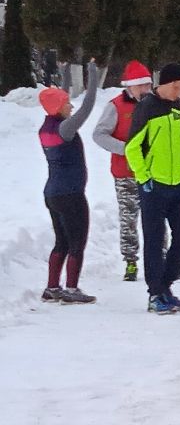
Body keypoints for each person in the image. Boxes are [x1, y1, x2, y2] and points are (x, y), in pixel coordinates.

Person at [126, 63, 180, 314]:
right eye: (176, 86)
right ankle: (155, 293)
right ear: (164, 84)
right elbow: (132, 147)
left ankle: (166, 284)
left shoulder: (178, 106)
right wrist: (144, 178)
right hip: (155, 184)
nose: (179, 91)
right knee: (154, 240)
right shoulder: (147, 107)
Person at [38, 61, 99, 305]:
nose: (71, 105)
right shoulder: (66, 128)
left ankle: (52, 287)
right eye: (67, 104)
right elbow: (88, 106)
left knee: (61, 241)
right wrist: (93, 74)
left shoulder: (48, 127)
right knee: (77, 241)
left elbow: (60, 100)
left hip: (52, 193)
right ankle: (72, 289)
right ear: (59, 108)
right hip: (71, 194)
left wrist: (64, 73)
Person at [92, 60, 153, 281]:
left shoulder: (155, 104)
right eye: (141, 86)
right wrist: (125, 150)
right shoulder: (116, 106)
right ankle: (130, 261)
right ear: (130, 87)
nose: (146, 90)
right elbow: (99, 134)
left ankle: (160, 258)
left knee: (156, 217)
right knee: (129, 218)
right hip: (126, 173)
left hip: (154, 172)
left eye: (148, 85)